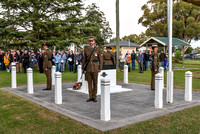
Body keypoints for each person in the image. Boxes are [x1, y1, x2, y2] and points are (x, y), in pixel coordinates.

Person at [82, 37, 103, 102]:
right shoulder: (86, 49)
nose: (91, 42)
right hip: (88, 68)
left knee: (95, 82)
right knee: (89, 83)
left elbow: (101, 59)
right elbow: (84, 59)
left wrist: (100, 67)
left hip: (95, 68)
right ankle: (90, 96)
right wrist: (83, 68)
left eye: (92, 41)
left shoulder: (98, 49)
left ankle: (94, 96)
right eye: (90, 41)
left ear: (94, 42)